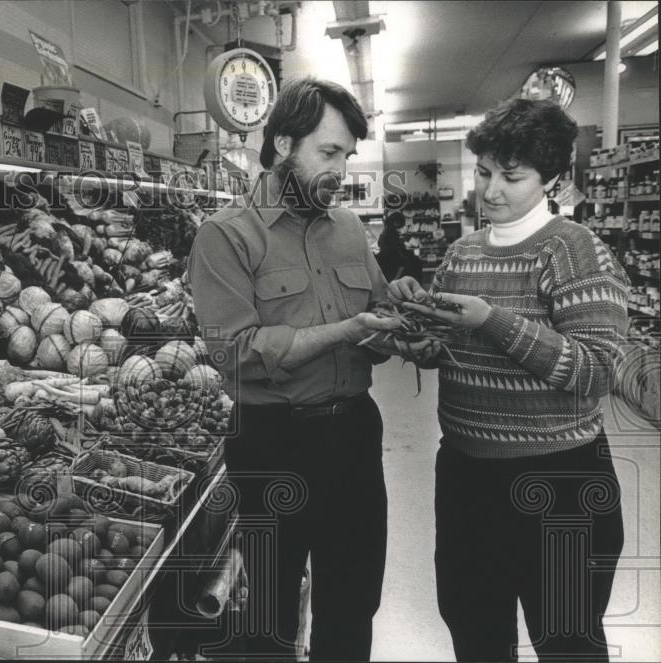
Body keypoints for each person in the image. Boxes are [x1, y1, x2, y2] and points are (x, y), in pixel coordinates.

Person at [186, 77, 431, 661]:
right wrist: (343, 332)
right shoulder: (225, 236)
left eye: (346, 155)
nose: (340, 170)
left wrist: (402, 319)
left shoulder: (347, 229)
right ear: (282, 146)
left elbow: (374, 320)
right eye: (328, 153)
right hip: (274, 445)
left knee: (353, 596)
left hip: (353, 434)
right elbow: (236, 353)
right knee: (270, 605)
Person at [388, 98, 628, 662]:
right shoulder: (460, 252)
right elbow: (453, 351)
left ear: (550, 179)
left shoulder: (575, 253)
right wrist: (420, 340)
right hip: (468, 478)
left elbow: (596, 370)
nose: (491, 190)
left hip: (560, 482)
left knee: (567, 641)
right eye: (485, 171)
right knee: (476, 633)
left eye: (511, 176)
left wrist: (492, 321)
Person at [375, 210, 423, 282]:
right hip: (392, 260)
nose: (400, 227)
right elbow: (397, 250)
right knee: (415, 262)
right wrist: (409, 254)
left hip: (386, 258)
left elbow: (381, 244)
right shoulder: (392, 232)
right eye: (399, 224)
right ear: (395, 222)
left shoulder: (385, 231)